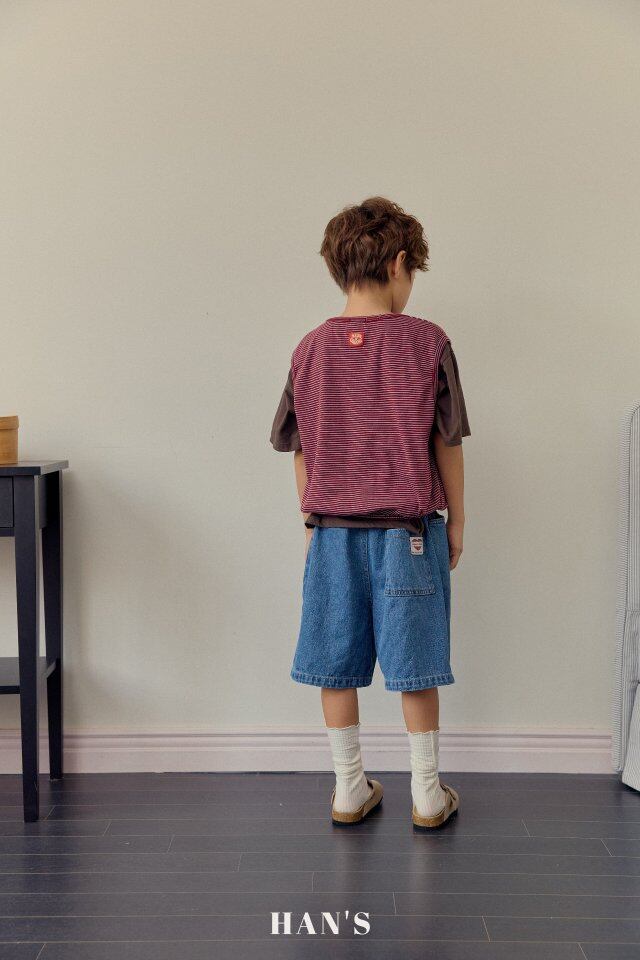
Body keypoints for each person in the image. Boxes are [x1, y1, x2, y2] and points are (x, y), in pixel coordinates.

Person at [270, 196, 470, 830]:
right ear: (399, 262)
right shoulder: (428, 341)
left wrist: (312, 524)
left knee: (336, 662)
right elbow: (446, 441)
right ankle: (427, 794)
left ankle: (349, 788)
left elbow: (299, 448)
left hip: (331, 534)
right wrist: (458, 521)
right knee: (416, 666)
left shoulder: (309, 349)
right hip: (409, 533)